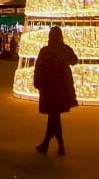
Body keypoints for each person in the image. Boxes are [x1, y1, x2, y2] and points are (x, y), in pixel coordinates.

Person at [33, 26, 78, 155]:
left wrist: (37, 82)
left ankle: (53, 144)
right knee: (54, 115)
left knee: (53, 115)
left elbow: (39, 67)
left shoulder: (45, 50)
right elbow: (75, 60)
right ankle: (51, 144)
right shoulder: (64, 49)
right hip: (61, 87)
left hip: (49, 86)